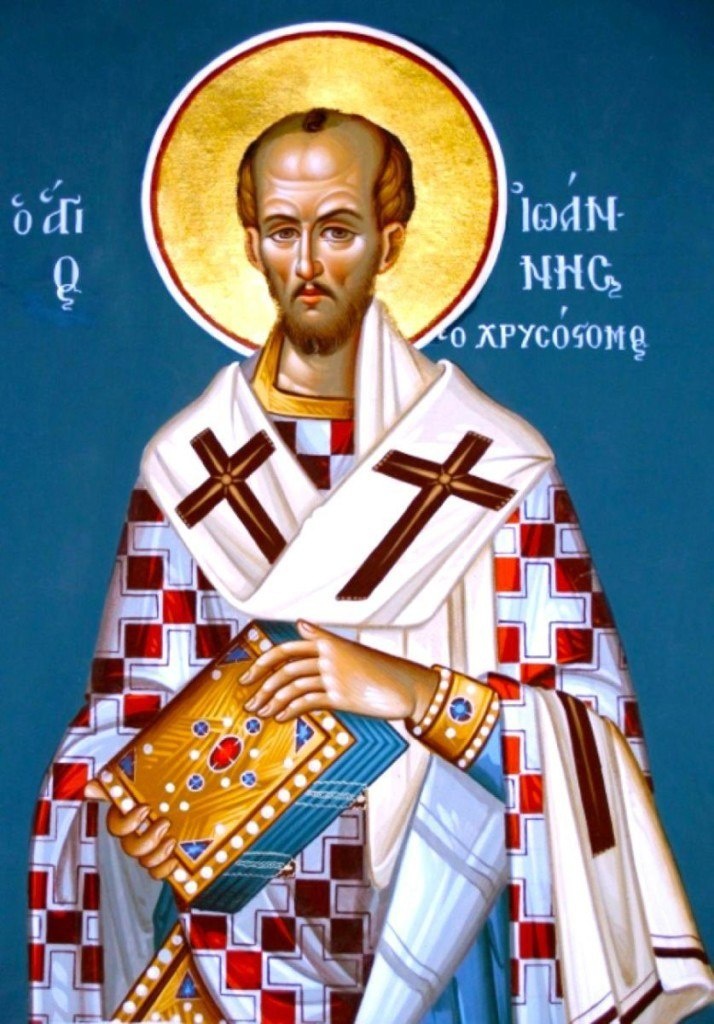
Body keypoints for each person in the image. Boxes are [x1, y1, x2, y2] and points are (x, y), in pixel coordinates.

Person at [29, 109, 712, 1024]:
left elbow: (594, 741)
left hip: (439, 954)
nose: (308, 262)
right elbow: (121, 719)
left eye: (338, 229)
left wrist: (405, 690)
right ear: (250, 244)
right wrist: (125, 818)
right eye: (283, 230)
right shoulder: (190, 467)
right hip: (233, 961)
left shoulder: (493, 465)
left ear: (391, 241)